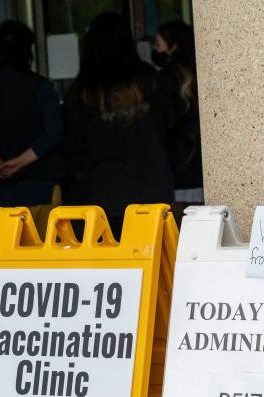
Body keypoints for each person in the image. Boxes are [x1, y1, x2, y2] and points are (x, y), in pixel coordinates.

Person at [63, 12, 173, 237]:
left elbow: (74, 147)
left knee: (110, 268)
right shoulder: (149, 78)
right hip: (151, 188)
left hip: (101, 194)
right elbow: (166, 128)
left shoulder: (81, 91)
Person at [0, 21, 64, 212]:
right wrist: (19, 162)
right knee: (45, 242)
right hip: (40, 187)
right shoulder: (42, 88)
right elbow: (54, 133)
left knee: (1, 243)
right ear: (28, 53)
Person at [153, 20, 203, 217]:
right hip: (197, 157)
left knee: (180, 218)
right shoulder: (198, 70)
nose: (155, 50)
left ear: (173, 45)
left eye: (158, 44)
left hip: (178, 159)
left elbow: (163, 120)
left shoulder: (167, 76)